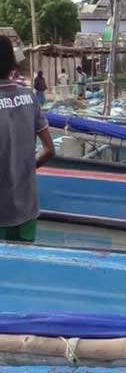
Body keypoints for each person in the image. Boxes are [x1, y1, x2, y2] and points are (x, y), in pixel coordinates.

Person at [0, 36, 55, 243]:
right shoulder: (29, 97)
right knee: (24, 271)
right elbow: (49, 149)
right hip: (27, 208)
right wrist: (25, 167)